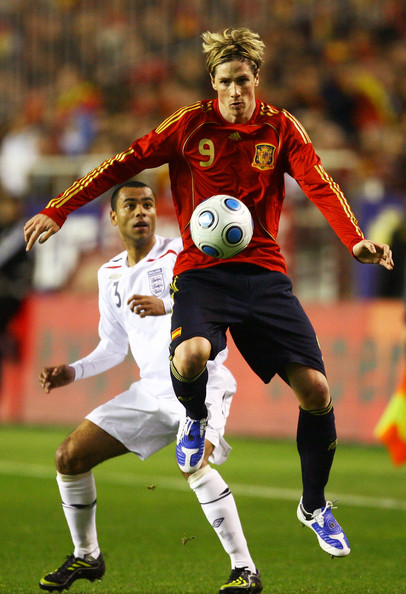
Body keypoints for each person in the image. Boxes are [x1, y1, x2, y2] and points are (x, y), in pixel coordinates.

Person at [24, 28, 394, 563]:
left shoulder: (281, 127)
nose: (235, 92)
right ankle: (194, 419)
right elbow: (124, 162)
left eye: (243, 81)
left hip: (264, 275)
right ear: (213, 83)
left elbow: (319, 182)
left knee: (315, 390)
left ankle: (314, 505)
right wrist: (59, 208)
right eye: (225, 82)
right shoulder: (189, 124)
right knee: (191, 354)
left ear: (256, 80)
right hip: (202, 272)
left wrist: (355, 239)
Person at [37, 181, 262, 594]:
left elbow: (223, 300)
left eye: (147, 204)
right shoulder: (110, 275)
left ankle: (244, 569)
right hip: (150, 392)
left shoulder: (181, 253)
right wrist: (73, 371)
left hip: (199, 384)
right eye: (131, 205)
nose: (141, 212)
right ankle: (87, 555)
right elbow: (113, 346)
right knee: (68, 457)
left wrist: (172, 303)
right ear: (114, 217)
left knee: (192, 464)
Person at [0, 191, 33, 385]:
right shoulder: (4, 229)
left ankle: (8, 342)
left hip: (13, 292)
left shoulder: (20, 229)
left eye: (7, 206)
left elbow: (3, 255)